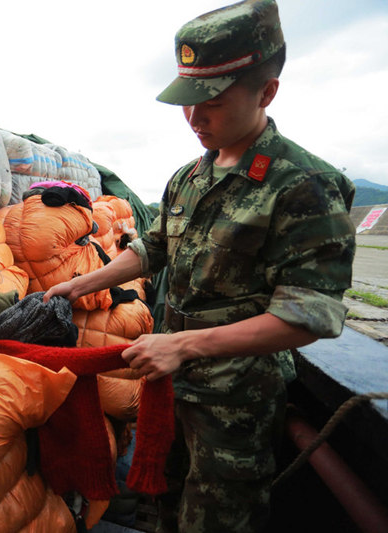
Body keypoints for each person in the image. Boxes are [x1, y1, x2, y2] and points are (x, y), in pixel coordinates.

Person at [43, 0, 356, 531]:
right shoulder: (189, 177)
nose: (195, 117)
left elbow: (310, 315)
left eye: (211, 100)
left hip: (235, 402)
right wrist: (78, 286)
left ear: (266, 92)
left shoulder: (304, 186)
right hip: (171, 387)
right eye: (188, 102)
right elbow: (153, 248)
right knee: (163, 502)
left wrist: (183, 345)